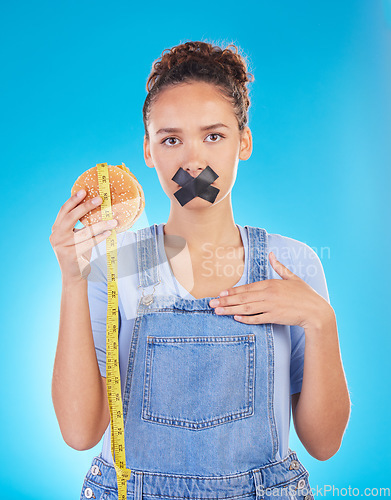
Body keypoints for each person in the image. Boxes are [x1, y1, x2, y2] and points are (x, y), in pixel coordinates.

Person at [50, 40, 351, 500]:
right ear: (148, 151)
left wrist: (321, 321)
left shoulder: (291, 264)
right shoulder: (122, 264)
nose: (192, 161)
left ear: (243, 142)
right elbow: (79, 432)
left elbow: (324, 444)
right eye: (171, 139)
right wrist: (73, 279)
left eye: (213, 135)